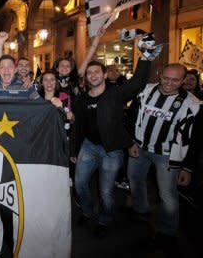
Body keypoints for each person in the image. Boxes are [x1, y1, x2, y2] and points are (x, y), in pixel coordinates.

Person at [70, 55, 150, 238]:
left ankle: (105, 219)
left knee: (106, 191)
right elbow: (78, 127)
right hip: (88, 147)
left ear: (105, 75)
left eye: (97, 72)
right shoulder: (82, 99)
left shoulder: (116, 94)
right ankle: (87, 212)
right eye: (89, 73)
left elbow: (138, 82)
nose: (93, 75)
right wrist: (74, 150)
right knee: (80, 184)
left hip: (111, 151)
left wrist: (145, 57)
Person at [128, 63, 201, 248]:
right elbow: (132, 116)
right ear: (160, 75)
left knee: (167, 195)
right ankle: (141, 209)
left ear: (184, 80)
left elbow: (195, 139)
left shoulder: (192, 104)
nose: (169, 83)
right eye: (165, 78)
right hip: (140, 149)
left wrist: (187, 167)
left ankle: (168, 232)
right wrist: (131, 141)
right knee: (135, 180)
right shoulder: (145, 91)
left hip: (168, 156)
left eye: (175, 80)